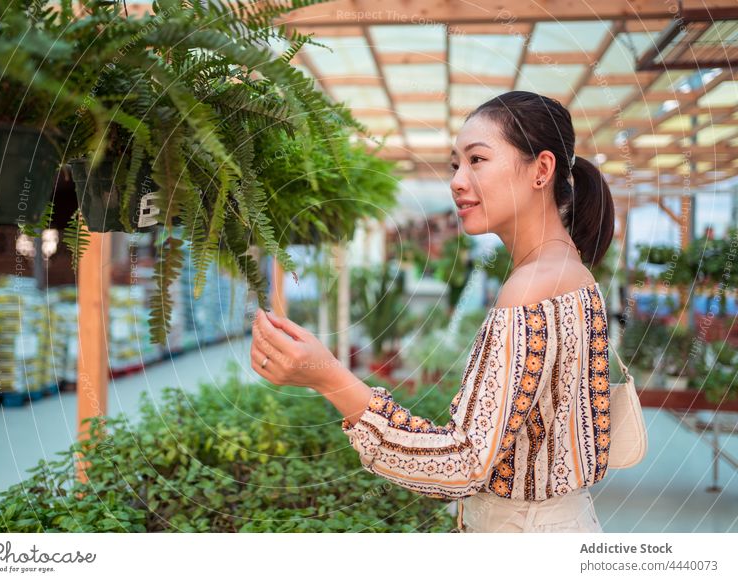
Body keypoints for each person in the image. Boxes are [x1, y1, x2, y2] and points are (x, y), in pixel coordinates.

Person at [249, 90, 615, 533]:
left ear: (541, 169)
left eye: (477, 159)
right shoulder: (568, 267)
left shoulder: (532, 286)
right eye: (455, 165)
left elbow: (464, 463)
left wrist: (329, 377)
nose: (457, 181)